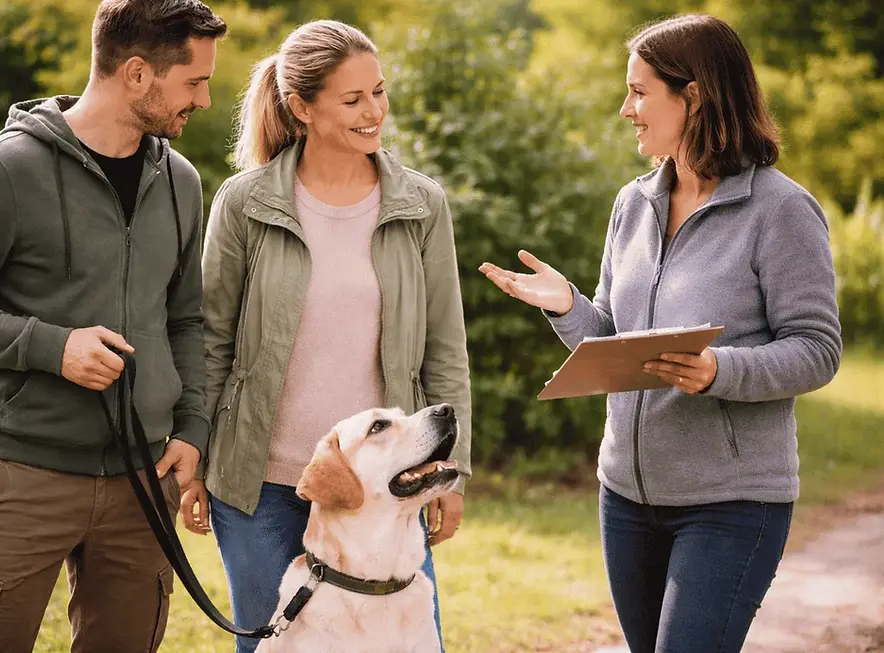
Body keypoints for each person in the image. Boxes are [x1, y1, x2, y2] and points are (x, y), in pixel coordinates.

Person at [480, 14, 841, 653]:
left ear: (694, 96)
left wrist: (718, 371)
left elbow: (817, 349)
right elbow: (619, 343)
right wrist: (566, 307)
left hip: (730, 504)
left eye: (641, 91)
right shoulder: (634, 203)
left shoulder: (780, 211)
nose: (626, 109)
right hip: (625, 497)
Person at [0, 1, 226, 651]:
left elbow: (186, 318)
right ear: (137, 73)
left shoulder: (182, 183)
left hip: (144, 480)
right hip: (22, 472)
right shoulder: (5, 169)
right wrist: (52, 346)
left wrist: (193, 427)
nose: (207, 98)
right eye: (194, 81)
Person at [178, 19, 472, 653]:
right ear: (301, 108)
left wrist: (454, 466)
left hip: (379, 487)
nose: (374, 112)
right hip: (258, 485)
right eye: (352, 99)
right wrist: (194, 456)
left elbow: (445, 348)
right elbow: (209, 345)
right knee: (270, 644)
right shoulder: (244, 202)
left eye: (379, 92)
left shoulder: (421, 205)